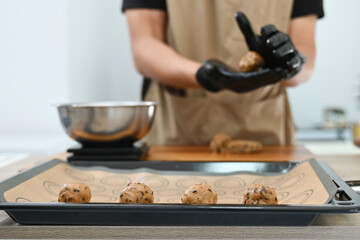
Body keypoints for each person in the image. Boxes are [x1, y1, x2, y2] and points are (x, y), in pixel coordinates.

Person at [122, 0, 324, 146]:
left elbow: (305, 55)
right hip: (176, 133)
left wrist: (289, 64)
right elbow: (144, 47)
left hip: (266, 135)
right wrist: (203, 75)